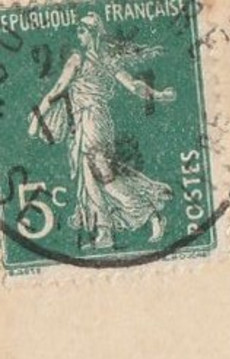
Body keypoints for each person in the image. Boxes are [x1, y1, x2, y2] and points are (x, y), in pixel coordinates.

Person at [27, 14, 178, 250]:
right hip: (87, 122)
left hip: (93, 121)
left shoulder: (85, 59)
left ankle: (149, 213)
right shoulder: (98, 59)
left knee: (103, 177)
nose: (79, 34)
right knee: (91, 179)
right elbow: (60, 89)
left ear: (94, 32)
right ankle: (104, 232)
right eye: (78, 30)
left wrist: (157, 95)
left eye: (83, 30)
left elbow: (59, 89)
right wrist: (159, 95)